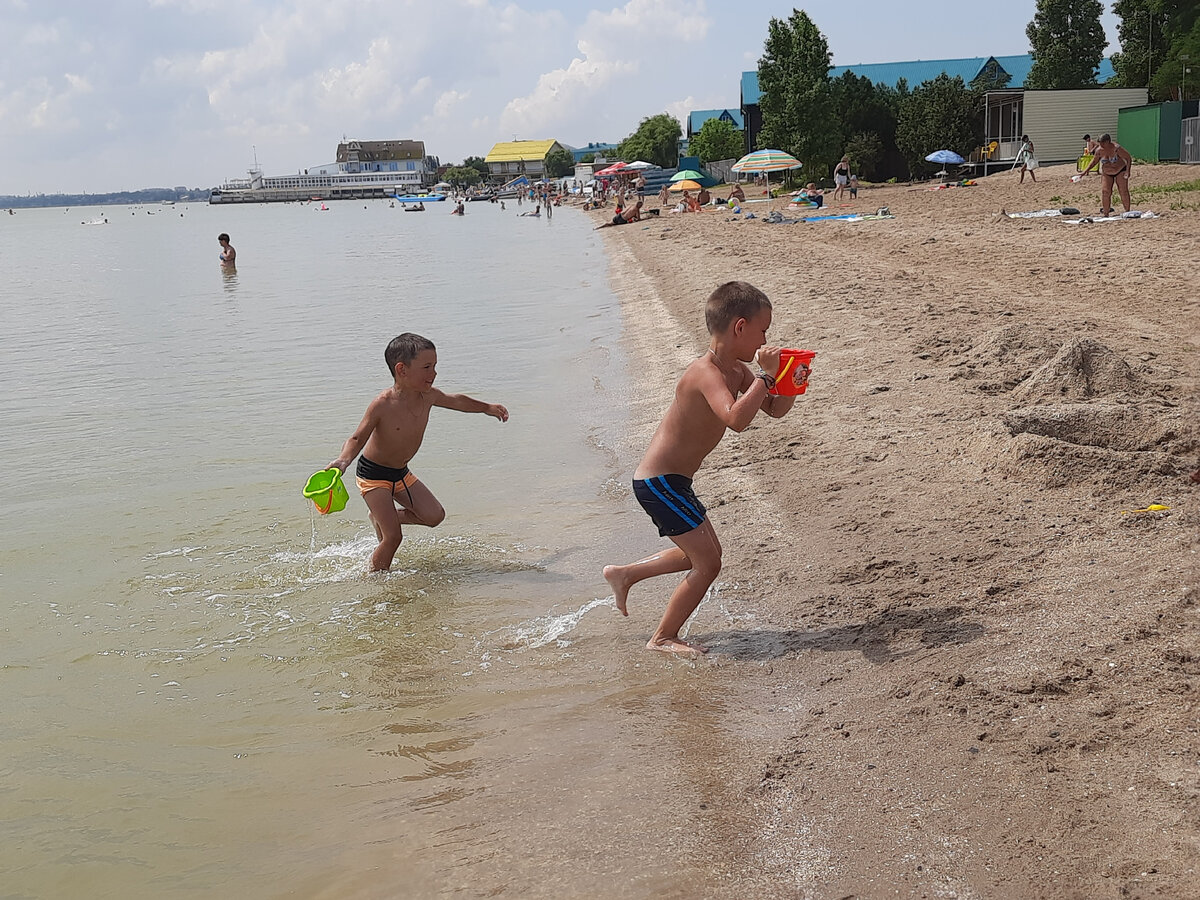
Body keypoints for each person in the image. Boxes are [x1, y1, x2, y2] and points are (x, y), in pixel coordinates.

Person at [602, 282, 800, 656]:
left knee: (704, 555)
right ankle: (662, 637)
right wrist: (767, 376)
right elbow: (735, 420)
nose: (765, 340)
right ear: (740, 327)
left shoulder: (739, 372)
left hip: (674, 482)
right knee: (707, 564)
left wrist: (789, 383)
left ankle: (625, 573)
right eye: (763, 331)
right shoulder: (705, 372)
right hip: (658, 483)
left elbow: (772, 409)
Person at [327, 333, 508, 573]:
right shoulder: (383, 404)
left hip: (401, 473)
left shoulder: (429, 396)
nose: (433, 374)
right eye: (426, 367)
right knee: (393, 538)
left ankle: (381, 517)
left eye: (434, 366)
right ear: (402, 369)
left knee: (434, 516)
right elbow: (357, 437)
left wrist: (486, 408)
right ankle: (376, 585)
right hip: (373, 476)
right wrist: (343, 460)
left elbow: (457, 401)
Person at [1080, 134, 1133, 216]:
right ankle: (1106, 213)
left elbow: (1128, 158)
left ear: (1107, 142)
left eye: (1102, 143)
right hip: (1107, 172)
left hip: (1120, 170)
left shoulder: (1116, 148)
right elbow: (1094, 162)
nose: (1101, 145)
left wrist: (1128, 171)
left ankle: (1127, 211)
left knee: (1123, 190)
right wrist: (1085, 171)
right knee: (1105, 191)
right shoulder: (1099, 151)